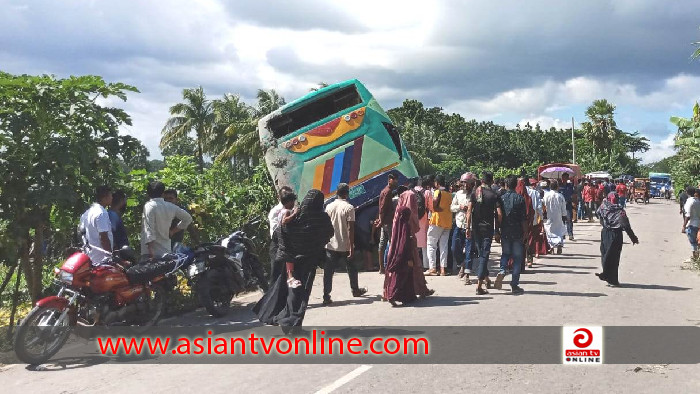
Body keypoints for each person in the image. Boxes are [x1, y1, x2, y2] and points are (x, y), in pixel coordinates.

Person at [253, 190, 334, 330]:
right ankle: (291, 323)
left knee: (291, 291)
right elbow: (329, 233)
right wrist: (315, 246)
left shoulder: (296, 217)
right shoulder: (322, 218)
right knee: (301, 294)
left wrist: (291, 250)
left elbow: (281, 231)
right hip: (308, 263)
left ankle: (286, 320)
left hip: (292, 261)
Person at [323, 183, 367, 305]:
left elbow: (326, 225)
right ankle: (355, 290)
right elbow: (350, 229)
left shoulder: (329, 206)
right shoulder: (349, 208)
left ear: (337, 193)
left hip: (331, 244)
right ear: (347, 193)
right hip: (345, 244)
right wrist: (351, 247)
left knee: (328, 271)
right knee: (351, 268)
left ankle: (326, 295)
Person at [466, 171, 502, 295]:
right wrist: (497, 230)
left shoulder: (474, 193)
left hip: (476, 228)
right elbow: (499, 214)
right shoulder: (494, 195)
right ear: (492, 181)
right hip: (487, 228)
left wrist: (467, 228)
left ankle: (486, 279)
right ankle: (479, 285)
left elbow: (469, 211)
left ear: (482, 181)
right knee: (484, 255)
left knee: (482, 254)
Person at [140, 181, 193, 260]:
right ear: (162, 194)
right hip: (166, 251)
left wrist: (151, 251)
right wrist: (172, 231)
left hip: (151, 253)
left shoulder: (149, 206)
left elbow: (149, 229)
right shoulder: (171, 206)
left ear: (148, 194)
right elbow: (188, 219)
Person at [596, 192, 639, 286]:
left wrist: (604, 224)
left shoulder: (603, 206)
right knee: (614, 257)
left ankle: (607, 275)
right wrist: (633, 237)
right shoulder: (620, 210)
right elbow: (626, 225)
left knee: (605, 254)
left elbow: (598, 215)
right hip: (616, 235)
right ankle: (611, 278)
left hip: (605, 233)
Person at [495, 175, 528, 294]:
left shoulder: (501, 198)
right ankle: (514, 285)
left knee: (505, 254)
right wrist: (526, 233)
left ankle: (502, 270)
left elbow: (498, 216)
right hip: (518, 232)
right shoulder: (520, 199)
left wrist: (497, 231)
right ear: (515, 185)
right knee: (517, 259)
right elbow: (524, 218)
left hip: (505, 231)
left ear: (506, 185)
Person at [384, 206, 417, 306]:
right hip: (403, 256)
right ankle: (392, 296)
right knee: (400, 278)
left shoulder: (397, 225)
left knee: (403, 277)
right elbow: (404, 243)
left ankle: (407, 297)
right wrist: (409, 258)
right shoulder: (405, 226)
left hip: (396, 255)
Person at [426, 175, 453, 276]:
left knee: (431, 244)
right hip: (447, 222)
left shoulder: (438, 192)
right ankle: (443, 269)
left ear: (437, 183)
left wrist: (435, 208)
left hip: (437, 221)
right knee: (444, 246)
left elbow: (435, 200)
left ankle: (432, 268)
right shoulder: (449, 194)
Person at [79, 185, 114, 264]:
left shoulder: (86, 213)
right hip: (101, 260)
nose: (112, 198)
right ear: (105, 197)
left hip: (89, 258)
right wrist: (109, 256)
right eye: (111, 195)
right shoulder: (101, 213)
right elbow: (103, 237)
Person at [451, 173, 475, 284]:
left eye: (466, 183)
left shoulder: (475, 195)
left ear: (471, 183)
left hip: (470, 227)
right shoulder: (458, 194)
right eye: (463, 182)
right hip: (459, 225)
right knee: (454, 248)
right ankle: (462, 264)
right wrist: (460, 207)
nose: (464, 185)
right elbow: (452, 207)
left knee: (469, 251)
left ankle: (467, 274)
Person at [267, 186, 295, 282]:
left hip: (288, 245)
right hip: (277, 245)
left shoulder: (291, 209)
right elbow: (276, 231)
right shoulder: (276, 211)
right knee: (276, 274)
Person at [376, 174, 398, 274]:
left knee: (382, 244)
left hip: (385, 221)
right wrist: (381, 220)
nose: (396, 182)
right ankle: (389, 266)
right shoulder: (388, 192)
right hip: (387, 221)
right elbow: (383, 207)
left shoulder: (384, 191)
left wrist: (380, 219)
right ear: (390, 180)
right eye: (395, 180)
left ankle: (382, 268)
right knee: (391, 243)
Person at [543, 180, 567, 255]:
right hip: (558, 217)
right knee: (559, 230)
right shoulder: (560, 196)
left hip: (549, 216)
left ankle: (551, 247)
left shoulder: (546, 195)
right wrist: (564, 216)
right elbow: (563, 208)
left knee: (549, 231)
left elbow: (543, 205)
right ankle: (559, 244)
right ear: (557, 187)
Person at [526, 177, 546, 266]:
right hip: (533, 219)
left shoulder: (518, 191)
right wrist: (541, 219)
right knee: (531, 238)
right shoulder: (535, 193)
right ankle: (529, 258)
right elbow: (539, 208)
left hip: (519, 221)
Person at [413, 177, 430, 268]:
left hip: (414, 219)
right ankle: (425, 265)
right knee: (424, 244)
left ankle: (415, 264)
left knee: (414, 243)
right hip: (424, 218)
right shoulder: (427, 192)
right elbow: (431, 207)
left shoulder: (411, 192)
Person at [683, 187, 700, 260]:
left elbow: (688, 215)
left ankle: (695, 257)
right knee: (698, 242)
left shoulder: (690, 201)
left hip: (692, 224)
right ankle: (697, 257)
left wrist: (684, 226)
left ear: (687, 192)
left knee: (693, 242)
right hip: (698, 224)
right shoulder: (698, 201)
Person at [560, 173, 575, 240]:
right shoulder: (559, 186)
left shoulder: (570, 186)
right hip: (561, 205)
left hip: (568, 204)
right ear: (562, 178)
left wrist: (574, 201)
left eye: (566, 177)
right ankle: (562, 234)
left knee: (569, 219)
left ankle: (570, 234)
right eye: (564, 177)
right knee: (562, 220)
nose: (565, 179)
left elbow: (573, 194)